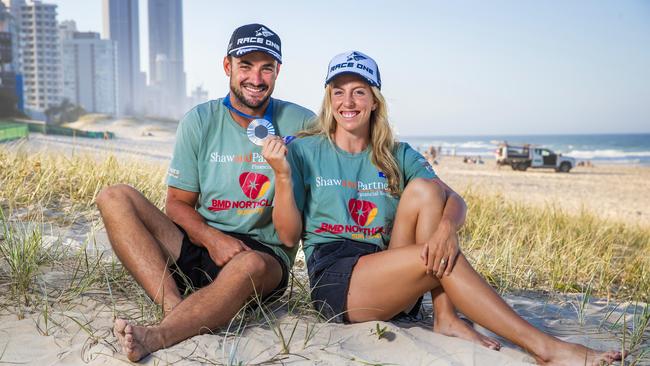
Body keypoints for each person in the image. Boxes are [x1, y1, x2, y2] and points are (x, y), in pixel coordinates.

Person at [262, 50, 624, 365]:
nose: (349, 101)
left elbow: (456, 200)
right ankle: (545, 348)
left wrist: (448, 231)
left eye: (359, 91)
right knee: (431, 254)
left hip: (390, 262)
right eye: (338, 92)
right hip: (340, 278)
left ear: (374, 101)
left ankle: (445, 315)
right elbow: (288, 234)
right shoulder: (306, 150)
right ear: (329, 100)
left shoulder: (396, 153)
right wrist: (281, 175)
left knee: (425, 191)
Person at [96, 24, 315, 362]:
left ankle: (159, 335)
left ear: (277, 71)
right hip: (201, 242)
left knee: (251, 263)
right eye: (246, 66)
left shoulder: (303, 122)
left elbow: (292, 233)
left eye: (266, 68)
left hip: (264, 257)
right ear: (227, 66)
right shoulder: (199, 120)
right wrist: (212, 239)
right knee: (114, 196)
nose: (256, 79)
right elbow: (177, 204)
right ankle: (176, 306)